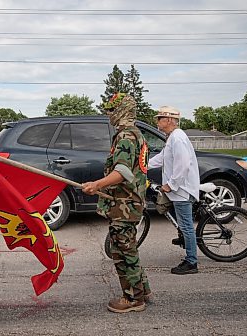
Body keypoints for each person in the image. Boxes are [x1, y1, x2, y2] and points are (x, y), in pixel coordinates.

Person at [82, 93, 151, 313]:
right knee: (127, 247)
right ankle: (143, 289)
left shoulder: (126, 137)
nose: (108, 115)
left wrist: (97, 185)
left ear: (122, 111)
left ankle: (133, 299)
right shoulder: (135, 134)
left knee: (122, 249)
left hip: (125, 205)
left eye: (111, 111)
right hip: (129, 202)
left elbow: (122, 172)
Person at [148, 106, 200, 275]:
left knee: (186, 226)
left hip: (181, 190)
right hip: (179, 189)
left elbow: (183, 164)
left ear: (169, 120)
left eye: (159, 118)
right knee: (183, 224)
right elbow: (162, 158)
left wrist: (171, 184)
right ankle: (185, 242)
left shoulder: (177, 138)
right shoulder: (172, 138)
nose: (157, 122)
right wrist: (143, 166)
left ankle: (191, 262)